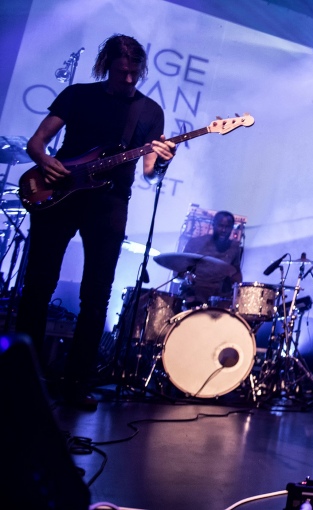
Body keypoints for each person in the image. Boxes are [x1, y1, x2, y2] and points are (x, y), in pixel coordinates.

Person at [15, 34, 176, 410]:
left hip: (109, 204)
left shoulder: (150, 112)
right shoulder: (78, 95)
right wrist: (45, 162)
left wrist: (164, 158)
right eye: (122, 72)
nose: (129, 80)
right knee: (38, 286)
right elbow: (36, 142)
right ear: (106, 66)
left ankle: (75, 385)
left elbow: (151, 173)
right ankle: (22, 380)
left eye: (135, 73)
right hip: (59, 195)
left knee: (97, 295)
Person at [178, 210, 243, 306]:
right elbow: (179, 268)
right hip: (195, 290)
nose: (224, 230)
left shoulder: (234, 247)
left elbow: (236, 273)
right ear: (213, 225)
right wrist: (187, 276)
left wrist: (240, 291)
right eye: (220, 226)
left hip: (219, 294)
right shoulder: (196, 243)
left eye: (227, 227)